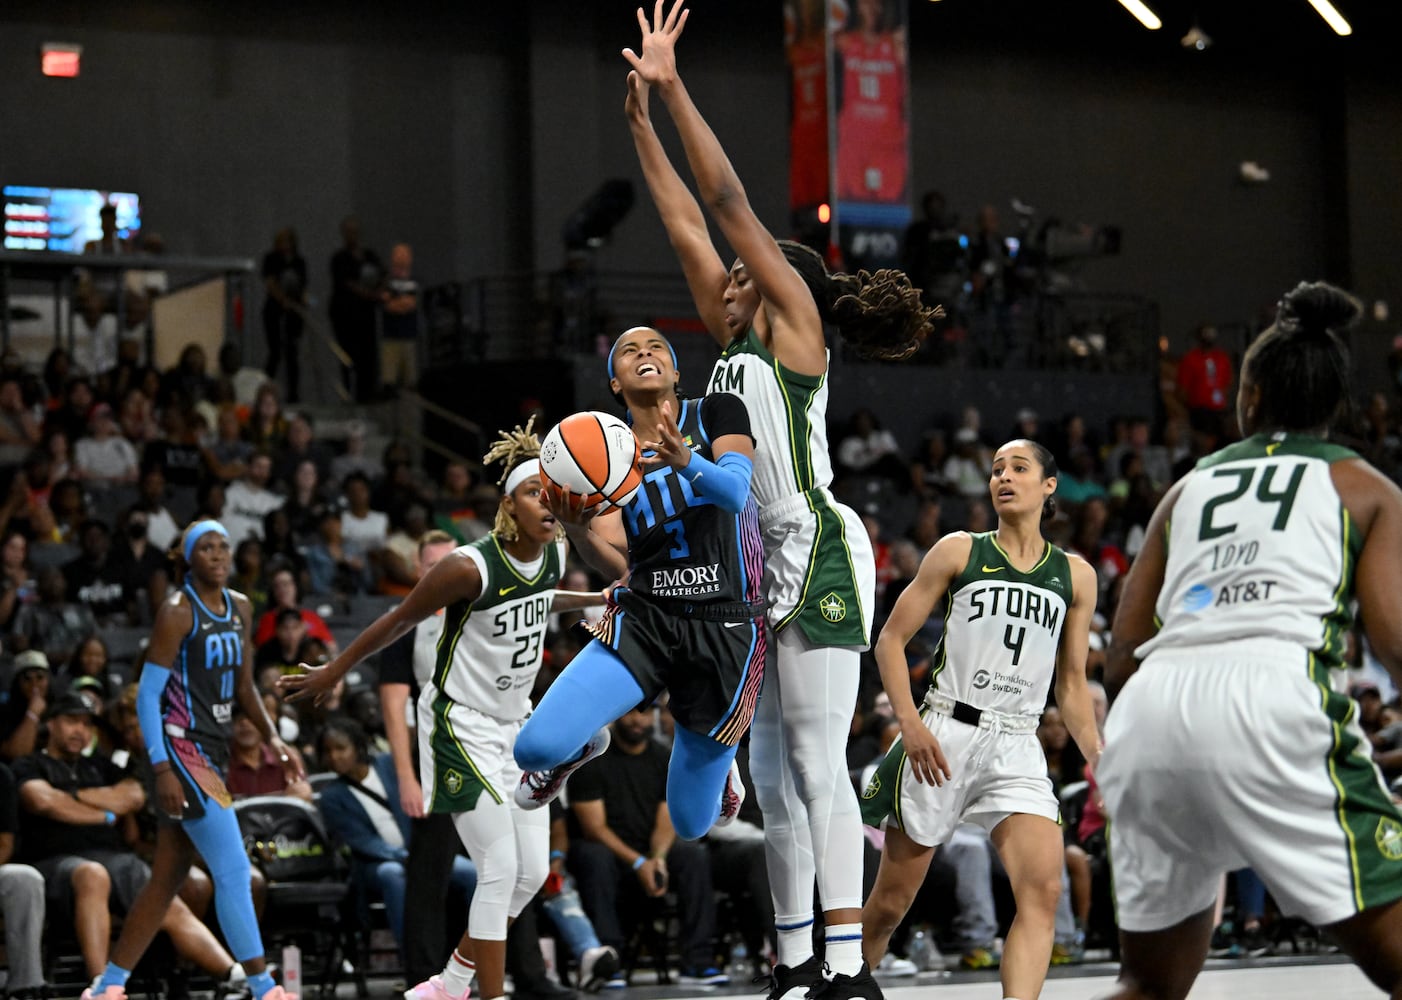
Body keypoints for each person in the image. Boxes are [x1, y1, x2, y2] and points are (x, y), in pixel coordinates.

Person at [622, 6, 939, 996]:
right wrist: (638, 121)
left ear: (772, 282)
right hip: (754, 564)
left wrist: (677, 89)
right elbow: (682, 216)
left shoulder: (796, 329)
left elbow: (722, 199)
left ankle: (849, 968)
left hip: (818, 542)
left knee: (812, 759)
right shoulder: (729, 342)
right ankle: (797, 960)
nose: (718, 280)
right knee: (768, 778)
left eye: (739, 273)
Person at [1098, 282, 1402, 1000]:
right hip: (1274, 696)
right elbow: (1394, 641)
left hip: (1153, 706)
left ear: (1252, 396)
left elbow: (1120, 656)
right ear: (1334, 404)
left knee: (1146, 985)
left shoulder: (1188, 485)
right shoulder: (1368, 489)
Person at [280, 420, 601, 1000]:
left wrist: (597, 597)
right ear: (508, 506)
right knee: (500, 868)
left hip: (517, 727)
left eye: (553, 492)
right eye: (535, 493)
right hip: (460, 725)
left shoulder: (555, 553)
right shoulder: (466, 566)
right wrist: (335, 668)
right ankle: (487, 995)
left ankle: (452, 983)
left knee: (530, 875)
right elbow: (397, 620)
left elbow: (542, 596)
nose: (548, 501)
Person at [512, 326, 763, 982]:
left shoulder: (717, 412)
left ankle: (722, 760)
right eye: (629, 351)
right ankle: (581, 749)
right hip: (648, 615)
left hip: (726, 627)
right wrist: (572, 518)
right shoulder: (607, 449)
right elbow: (614, 556)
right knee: (533, 750)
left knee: (691, 820)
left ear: (676, 373)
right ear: (616, 384)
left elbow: (736, 494)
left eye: (657, 346)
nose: (645, 352)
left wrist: (685, 460)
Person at [859, 439, 1099, 1000]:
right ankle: (840, 985)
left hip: (1017, 741)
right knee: (891, 905)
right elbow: (891, 640)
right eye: (996, 470)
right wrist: (911, 725)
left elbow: (1071, 685)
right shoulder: (959, 551)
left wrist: (1099, 758)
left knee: (1041, 893)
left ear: (1049, 486)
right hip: (946, 731)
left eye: (1019, 468)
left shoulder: (1076, 576)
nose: (1003, 478)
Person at [81, 520, 302, 1000]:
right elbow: (147, 698)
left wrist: (274, 742)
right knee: (234, 870)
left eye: (224, 546)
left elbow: (244, 688)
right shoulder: (177, 612)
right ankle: (264, 987)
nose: (219, 555)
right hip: (183, 750)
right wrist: (160, 767)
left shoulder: (241, 606)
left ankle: (109, 984)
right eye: (207, 548)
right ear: (187, 558)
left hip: (213, 749)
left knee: (167, 878)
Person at [17, 692, 243, 992]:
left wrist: (71, 796)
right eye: (72, 721)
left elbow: (133, 796)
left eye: (87, 724)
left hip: (114, 858)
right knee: (92, 874)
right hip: (55, 862)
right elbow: (42, 801)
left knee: (157, 889)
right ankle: (103, 987)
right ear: (51, 724)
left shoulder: (100, 766)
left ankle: (234, 975)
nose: (80, 731)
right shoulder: (29, 765)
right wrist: (105, 814)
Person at [565, 707, 726, 986]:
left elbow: (668, 818)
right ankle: (608, 959)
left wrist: (658, 859)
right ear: (616, 716)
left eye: (644, 713)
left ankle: (697, 961)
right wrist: (639, 863)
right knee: (594, 857)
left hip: (649, 851)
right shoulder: (593, 759)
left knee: (693, 855)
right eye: (630, 714)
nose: (638, 720)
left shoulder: (663, 758)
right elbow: (594, 829)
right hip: (609, 852)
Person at [315, 716, 477, 962]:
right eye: (327, 752)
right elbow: (361, 841)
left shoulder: (390, 765)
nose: (334, 756)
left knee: (471, 873)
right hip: (374, 865)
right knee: (393, 874)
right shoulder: (331, 797)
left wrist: (420, 854)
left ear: (358, 747)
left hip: (419, 852)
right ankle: (416, 958)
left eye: (340, 748)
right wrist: (403, 857)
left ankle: (472, 953)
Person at [262, 228, 308, 404]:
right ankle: (266, 392)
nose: (285, 244)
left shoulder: (299, 261)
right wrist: (282, 299)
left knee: (292, 353)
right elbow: (270, 282)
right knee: (275, 351)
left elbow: (302, 285)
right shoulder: (271, 259)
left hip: (294, 312)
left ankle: (294, 394)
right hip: (274, 310)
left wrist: (302, 301)